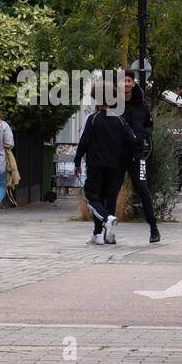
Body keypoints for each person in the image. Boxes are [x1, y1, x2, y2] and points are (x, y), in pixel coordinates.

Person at [74, 73, 138, 245]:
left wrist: (77, 161)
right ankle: (100, 234)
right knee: (107, 198)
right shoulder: (119, 119)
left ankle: (107, 219)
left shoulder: (93, 119)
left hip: (95, 164)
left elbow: (84, 143)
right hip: (114, 165)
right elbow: (132, 138)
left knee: (92, 198)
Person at [122, 69, 161, 242]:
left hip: (137, 155)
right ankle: (103, 230)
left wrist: (145, 136)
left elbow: (149, 125)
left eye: (129, 81)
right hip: (118, 155)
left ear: (134, 83)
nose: (126, 84)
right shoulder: (114, 104)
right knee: (110, 190)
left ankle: (153, 228)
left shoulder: (142, 105)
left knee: (143, 189)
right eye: (123, 81)